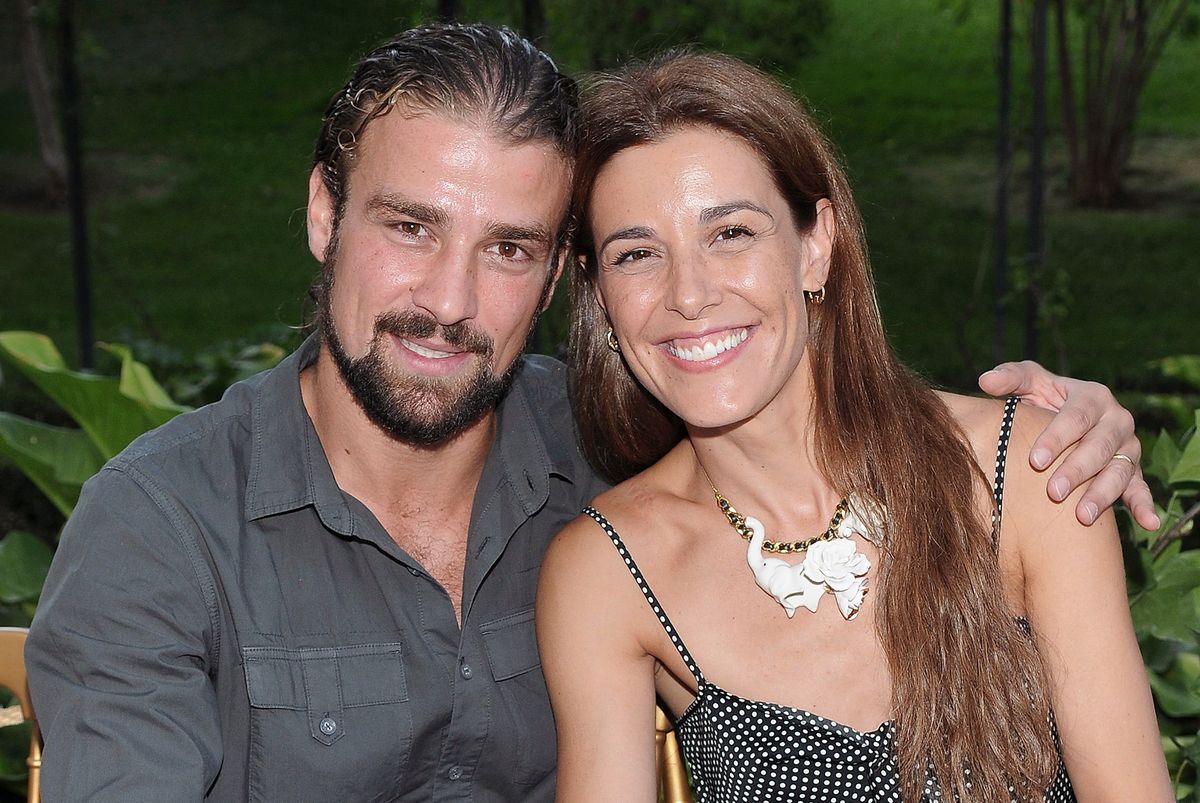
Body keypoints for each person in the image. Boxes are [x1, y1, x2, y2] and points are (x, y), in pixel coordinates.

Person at [26, 24, 1153, 803]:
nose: (451, 302)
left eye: (508, 247)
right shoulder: (161, 527)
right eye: (410, 226)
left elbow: (792, 414)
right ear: (325, 213)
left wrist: (1073, 429)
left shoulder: (610, 442)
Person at [538, 51, 1171, 802]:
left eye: (730, 233)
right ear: (600, 294)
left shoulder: (1029, 471)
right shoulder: (607, 572)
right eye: (638, 253)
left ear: (815, 246)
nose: (690, 295)